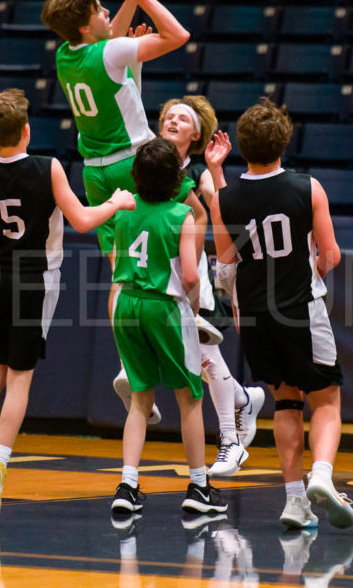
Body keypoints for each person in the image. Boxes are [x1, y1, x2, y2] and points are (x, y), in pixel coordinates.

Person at [0, 88, 135, 518]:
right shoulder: (47, 168)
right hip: (35, 281)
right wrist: (116, 201)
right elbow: (83, 221)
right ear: (26, 130)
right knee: (20, 379)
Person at [41, 0, 191, 424]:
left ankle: (128, 364)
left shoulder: (68, 55)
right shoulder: (108, 54)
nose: (108, 10)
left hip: (95, 173)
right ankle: (196, 305)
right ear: (87, 24)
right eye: (100, 7)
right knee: (192, 212)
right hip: (134, 159)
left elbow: (109, 42)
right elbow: (177, 35)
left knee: (120, 273)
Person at [208, 98, 353, 530]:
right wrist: (316, 266)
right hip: (300, 309)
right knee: (327, 398)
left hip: (254, 315)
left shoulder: (226, 199)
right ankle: (324, 477)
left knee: (286, 400)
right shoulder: (307, 188)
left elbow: (225, 263)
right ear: (285, 141)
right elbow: (331, 254)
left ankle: (295, 501)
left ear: (242, 145)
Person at [109, 137, 227, 520]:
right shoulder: (182, 215)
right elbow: (191, 276)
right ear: (177, 179)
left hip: (127, 304)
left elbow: (116, 261)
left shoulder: (123, 211)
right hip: (165, 307)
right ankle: (198, 486)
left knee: (140, 399)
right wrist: (191, 308)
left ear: (135, 175)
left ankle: (127, 485)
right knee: (189, 399)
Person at [157, 95, 266, 476]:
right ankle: (242, 397)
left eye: (182, 119)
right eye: (168, 116)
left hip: (189, 270)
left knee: (202, 351)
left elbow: (225, 209)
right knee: (195, 356)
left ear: (197, 133)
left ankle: (231, 444)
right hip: (154, 268)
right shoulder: (147, 160)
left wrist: (217, 170)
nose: (172, 121)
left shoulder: (197, 172)